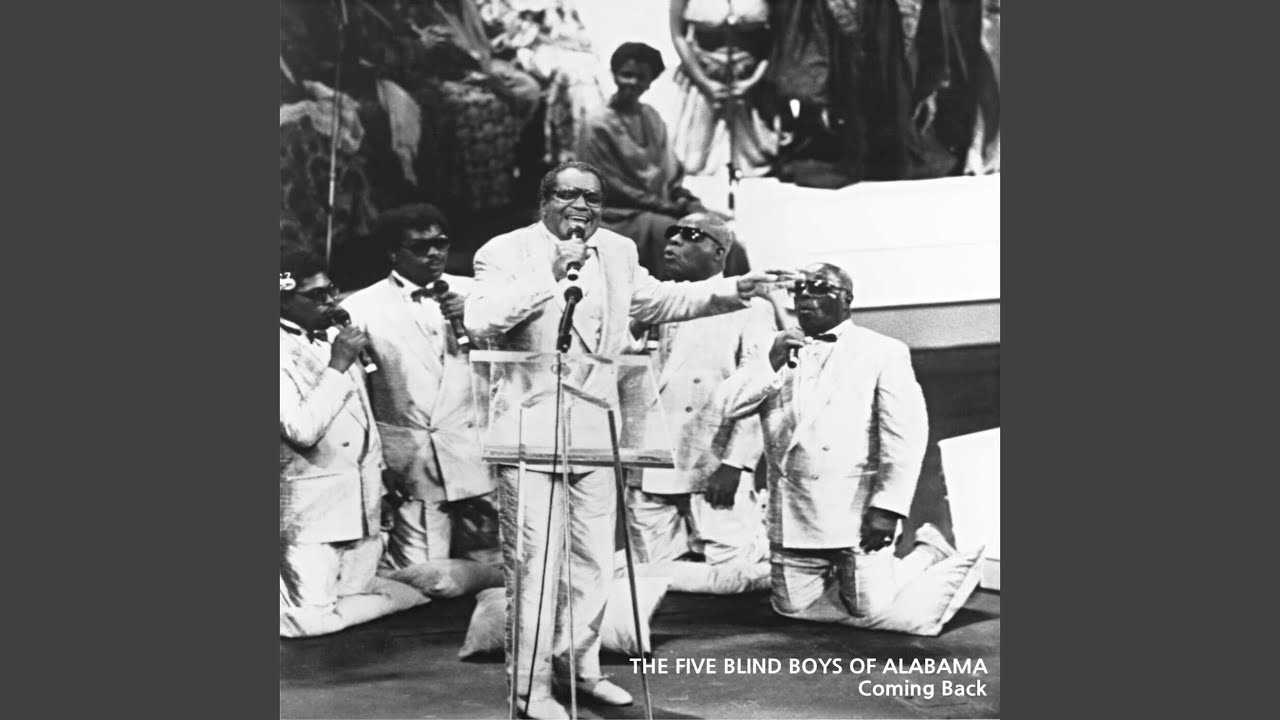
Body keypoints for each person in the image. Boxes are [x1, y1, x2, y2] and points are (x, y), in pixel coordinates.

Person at [464, 160, 785, 720]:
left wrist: (734, 289)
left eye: (592, 199)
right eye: (568, 196)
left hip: (598, 430)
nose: (580, 208)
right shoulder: (503, 252)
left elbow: (660, 302)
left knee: (592, 561)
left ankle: (579, 667)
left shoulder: (617, 251)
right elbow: (480, 321)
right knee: (534, 565)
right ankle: (530, 689)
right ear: (545, 202)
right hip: (529, 434)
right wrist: (551, 276)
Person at [718, 262, 959, 627]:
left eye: (819, 288)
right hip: (793, 513)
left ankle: (927, 554)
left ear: (847, 299)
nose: (805, 297)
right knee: (792, 611)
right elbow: (728, 406)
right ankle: (847, 582)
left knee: (869, 609)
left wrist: (888, 508)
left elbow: (905, 437)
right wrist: (771, 362)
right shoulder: (769, 348)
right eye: (799, 289)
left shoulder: (882, 351)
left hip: (854, 511)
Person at [622, 213, 777, 594]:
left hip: (711, 459)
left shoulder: (749, 308)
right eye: (671, 234)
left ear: (719, 252)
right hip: (650, 461)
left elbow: (760, 390)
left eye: (690, 235)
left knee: (734, 575)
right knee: (654, 579)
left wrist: (736, 463)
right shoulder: (648, 304)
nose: (673, 241)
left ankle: (794, 569)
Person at [279, 249, 427, 638]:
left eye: (331, 290)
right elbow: (302, 430)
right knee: (309, 621)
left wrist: (381, 470)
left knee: (353, 603)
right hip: (310, 513)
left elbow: (362, 412)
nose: (331, 301)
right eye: (316, 295)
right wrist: (337, 365)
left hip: (360, 502)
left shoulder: (332, 336)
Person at [340, 204, 496, 571]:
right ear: (393, 253)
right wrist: (376, 463)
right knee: (420, 574)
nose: (434, 254)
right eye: (420, 247)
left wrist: (475, 320)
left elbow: (513, 366)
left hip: (477, 453)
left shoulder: (480, 295)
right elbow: (355, 397)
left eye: (440, 243)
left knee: (493, 571)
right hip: (411, 462)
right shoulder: (360, 307)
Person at [575, 42, 749, 281]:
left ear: (651, 81)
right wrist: (667, 207)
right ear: (614, 74)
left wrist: (684, 200)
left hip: (660, 206)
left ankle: (737, 296)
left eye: (641, 77)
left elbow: (670, 171)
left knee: (725, 238)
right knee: (689, 244)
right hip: (620, 215)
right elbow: (609, 186)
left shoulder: (651, 116)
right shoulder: (596, 124)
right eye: (626, 74)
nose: (633, 83)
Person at [668, 0, 777, 178]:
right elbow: (678, 34)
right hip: (702, 80)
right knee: (691, 163)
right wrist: (704, 82)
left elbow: (778, 37)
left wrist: (753, 81)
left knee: (760, 161)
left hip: (750, 85)